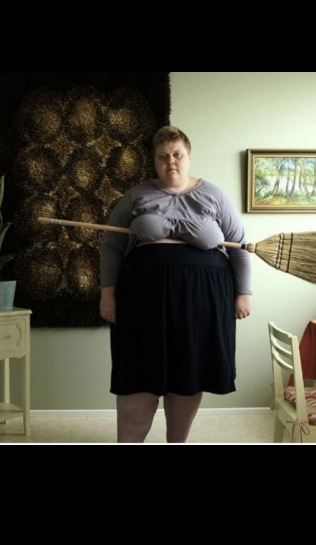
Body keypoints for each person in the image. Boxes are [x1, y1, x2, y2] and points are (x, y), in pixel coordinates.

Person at [99, 125, 252, 443]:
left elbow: (239, 246)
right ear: (154, 161)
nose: (171, 161)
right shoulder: (136, 195)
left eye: (177, 154)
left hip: (203, 301)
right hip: (142, 300)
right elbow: (111, 247)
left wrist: (243, 293)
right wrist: (107, 294)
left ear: (189, 157)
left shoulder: (214, 195)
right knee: (138, 375)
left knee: (188, 374)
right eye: (163, 156)